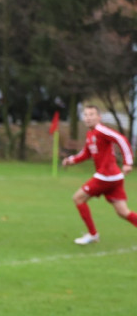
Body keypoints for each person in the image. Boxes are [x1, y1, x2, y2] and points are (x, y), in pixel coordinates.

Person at [61, 104, 136, 245]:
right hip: (114, 178)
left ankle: (93, 235)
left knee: (78, 198)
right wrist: (71, 160)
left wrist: (128, 162)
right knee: (123, 211)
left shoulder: (101, 130)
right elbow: (86, 153)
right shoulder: (91, 134)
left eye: (92, 114)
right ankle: (92, 235)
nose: (88, 118)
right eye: (86, 115)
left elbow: (121, 139)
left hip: (106, 176)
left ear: (99, 117)